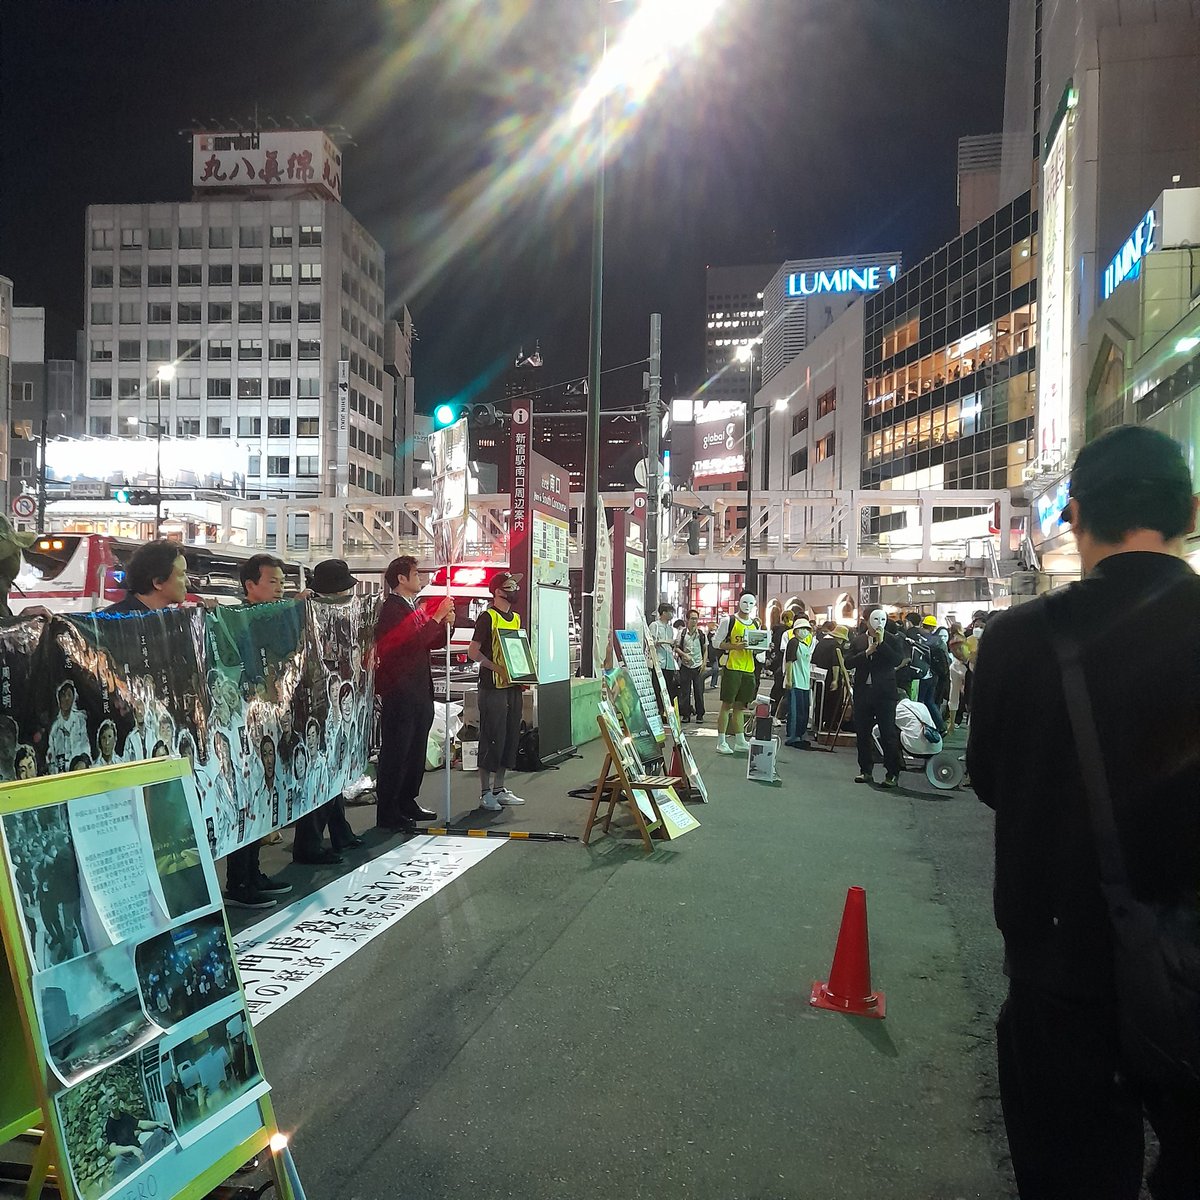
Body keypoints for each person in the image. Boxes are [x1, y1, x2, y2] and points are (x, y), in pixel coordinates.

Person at [968, 426, 1200, 1198]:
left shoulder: (1016, 640)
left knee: (1069, 1174)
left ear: (1073, 515)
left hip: (1060, 960)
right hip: (1194, 963)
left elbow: (990, 779)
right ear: (1190, 512)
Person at [219, 555, 296, 909]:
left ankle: (252, 872)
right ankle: (238, 880)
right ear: (250, 585)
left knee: (262, 798)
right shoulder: (232, 620)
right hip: (241, 725)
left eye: (282, 582)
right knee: (245, 801)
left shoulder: (275, 617)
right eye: (273, 582)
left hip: (267, 720)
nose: (280, 588)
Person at [291, 559, 364, 864]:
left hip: (335, 702)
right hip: (313, 704)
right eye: (345, 587)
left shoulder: (339, 612)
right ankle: (309, 843)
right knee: (318, 774)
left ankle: (339, 831)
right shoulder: (307, 612)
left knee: (335, 769)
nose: (350, 592)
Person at [373, 555, 454, 830]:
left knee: (415, 748)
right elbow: (410, 643)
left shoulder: (411, 608)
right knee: (397, 750)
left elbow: (428, 643)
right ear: (401, 579)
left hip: (419, 690)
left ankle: (407, 800)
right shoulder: (392, 609)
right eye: (416, 574)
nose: (420, 578)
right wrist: (439, 615)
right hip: (401, 691)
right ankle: (389, 809)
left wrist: (444, 624)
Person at [467, 573, 527, 811]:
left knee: (511, 734)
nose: (515, 589)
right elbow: (473, 652)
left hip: (513, 685)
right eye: (509, 586)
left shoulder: (516, 618)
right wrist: (497, 668)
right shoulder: (487, 617)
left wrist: (523, 672)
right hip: (492, 686)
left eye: (515, 585)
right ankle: (484, 792)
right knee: (491, 735)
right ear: (497, 591)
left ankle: (499, 788)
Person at [846, 608, 904, 787]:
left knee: (888, 733)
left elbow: (896, 660)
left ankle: (892, 772)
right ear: (868, 621)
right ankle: (865, 770)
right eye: (876, 619)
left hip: (885, 693)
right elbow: (848, 662)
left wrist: (882, 644)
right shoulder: (858, 640)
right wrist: (866, 653)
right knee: (863, 734)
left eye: (883, 619)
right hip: (863, 692)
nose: (879, 622)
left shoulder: (893, 639)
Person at [714, 593, 761, 755]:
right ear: (739, 602)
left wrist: (761, 648)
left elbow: (758, 645)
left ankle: (740, 740)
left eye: (751, 603)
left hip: (749, 668)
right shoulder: (729, 621)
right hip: (733, 667)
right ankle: (721, 741)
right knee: (727, 704)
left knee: (741, 706)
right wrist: (735, 646)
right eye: (745, 602)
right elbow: (716, 642)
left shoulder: (755, 623)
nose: (747, 605)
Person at [104, 539, 190, 614]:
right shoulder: (111, 620)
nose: (188, 583)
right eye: (181, 574)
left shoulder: (171, 619)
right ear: (157, 582)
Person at [811, 624, 851, 734]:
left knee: (820, 701)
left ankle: (818, 722)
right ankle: (831, 724)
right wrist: (835, 679)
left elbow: (813, 660)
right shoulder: (835, 646)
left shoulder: (821, 643)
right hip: (831, 677)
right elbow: (836, 664)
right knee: (833, 702)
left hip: (819, 677)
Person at [783, 616, 814, 748]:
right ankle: (793, 736)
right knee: (795, 710)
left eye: (807, 629)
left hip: (805, 683)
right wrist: (789, 679)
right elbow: (789, 661)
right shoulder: (793, 642)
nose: (804, 631)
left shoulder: (805, 644)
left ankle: (800, 735)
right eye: (802, 628)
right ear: (795, 630)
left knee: (803, 710)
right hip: (796, 682)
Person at [46, 681, 89, 774]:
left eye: (69, 695)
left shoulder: (80, 720)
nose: (66, 699)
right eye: (63, 695)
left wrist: (83, 762)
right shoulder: (55, 728)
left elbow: (86, 746)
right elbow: (51, 757)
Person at [675, 608, 707, 723]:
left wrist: (704, 663)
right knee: (685, 691)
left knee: (699, 691)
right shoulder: (682, 633)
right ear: (687, 620)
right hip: (685, 666)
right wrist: (684, 655)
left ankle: (700, 714)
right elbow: (677, 647)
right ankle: (686, 714)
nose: (694, 621)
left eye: (696, 619)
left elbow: (705, 649)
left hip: (698, 666)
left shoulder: (701, 634)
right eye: (692, 619)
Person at [649, 603, 679, 706]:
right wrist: (665, 641)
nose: (672, 615)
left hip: (669, 663)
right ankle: (659, 709)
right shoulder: (655, 625)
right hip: (659, 662)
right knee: (657, 688)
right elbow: (651, 642)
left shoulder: (670, 628)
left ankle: (666, 711)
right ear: (664, 613)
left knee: (668, 688)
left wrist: (673, 644)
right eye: (670, 612)